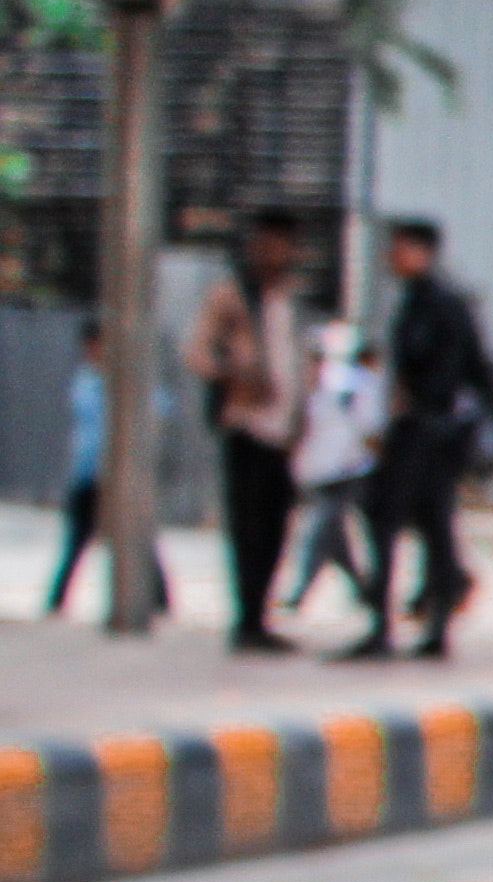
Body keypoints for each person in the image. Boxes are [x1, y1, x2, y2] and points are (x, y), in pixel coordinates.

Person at [345, 216, 493, 662]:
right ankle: (427, 619)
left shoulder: (441, 306)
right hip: (423, 431)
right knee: (429, 526)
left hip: (429, 434)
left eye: (401, 248)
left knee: (393, 519)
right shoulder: (416, 302)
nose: (392, 257)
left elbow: (468, 370)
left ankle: (403, 624)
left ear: (424, 252)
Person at [184, 207, 309, 653]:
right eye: (265, 242)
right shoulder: (232, 294)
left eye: (282, 243)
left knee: (278, 527)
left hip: (284, 431)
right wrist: (234, 373)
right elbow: (196, 352)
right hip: (246, 426)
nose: (273, 252)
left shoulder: (289, 297)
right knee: (248, 526)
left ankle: (262, 614)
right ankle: (248, 619)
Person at [38, 316, 164, 619]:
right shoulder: (87, 381)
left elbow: (158, 406)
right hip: (89, 474)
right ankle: (56, 601)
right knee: (78, 541)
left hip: (117, 476)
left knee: (139, 540)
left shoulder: (123, 382)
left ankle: (161, 600)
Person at [282, 315, 388, 619]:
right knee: (335, 538)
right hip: (319, 472)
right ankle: (363, 587)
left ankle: (300, 591)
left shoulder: (349, 388)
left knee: (321, 528)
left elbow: (370, 429)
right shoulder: (312, 390)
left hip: (347, 470)